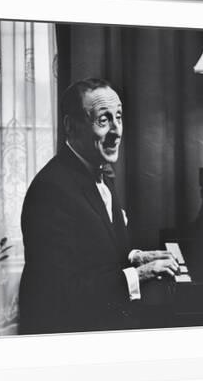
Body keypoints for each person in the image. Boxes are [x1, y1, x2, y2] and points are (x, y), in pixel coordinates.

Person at [18, 78, 179, 334]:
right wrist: (141, 274)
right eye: (103, 121)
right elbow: (61, 293)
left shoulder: (95, 168)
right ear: (71, 127)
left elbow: (91, 251)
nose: (117, 131)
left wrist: (136, 257)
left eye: (119, 117)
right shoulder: (50, 191)